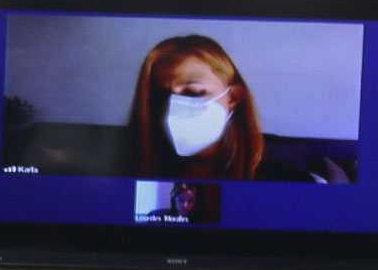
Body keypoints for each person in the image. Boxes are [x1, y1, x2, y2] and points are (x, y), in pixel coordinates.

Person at [126, 34, 313, 182]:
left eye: (193, 93)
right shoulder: (128, 171)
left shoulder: (287, 181)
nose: (173, 110)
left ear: (233, 97)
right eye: (161, 96)